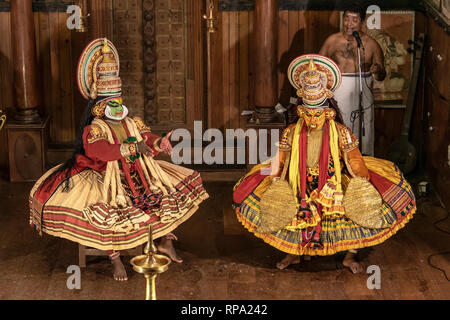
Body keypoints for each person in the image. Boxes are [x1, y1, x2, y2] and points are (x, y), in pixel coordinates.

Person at [29, 38, 209, 281]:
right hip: (104, 175)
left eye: (119, 101)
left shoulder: (130, 121)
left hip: (136, 171)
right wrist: (133, 148)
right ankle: (114, 258)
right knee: (108, 210)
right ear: (99, 106)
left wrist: (158, 143)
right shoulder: (95, 127)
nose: (116, 106)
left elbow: (145, 135)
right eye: (110, 103)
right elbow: (99, 152)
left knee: (167, 195)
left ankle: (165, 242)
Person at [233, 54, 416, 273]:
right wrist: (273, 179)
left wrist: (363, 184)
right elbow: (280, 160)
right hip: (298, 180)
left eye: (317, 114)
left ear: (328, 112)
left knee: (358, 214)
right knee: (291, 215)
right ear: (300, 111)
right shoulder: (291, 132)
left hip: (333, 180)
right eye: (307, 114)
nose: (312, 119)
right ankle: (294, 254)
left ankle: (350, 257)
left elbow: (354, 159)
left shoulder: (341, 132)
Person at [319, 4, 386, 156]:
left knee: (362, 128)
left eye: (354, 20)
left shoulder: (371, 45)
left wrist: (378, 70)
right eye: (346, 19)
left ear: (362, 21)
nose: (349, 23)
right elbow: (318, 65)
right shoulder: (332, 41)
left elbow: (382, 74)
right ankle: (335, 160)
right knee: (339, 126)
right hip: (338, 89)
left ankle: (363, 161)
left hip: (362, 90)